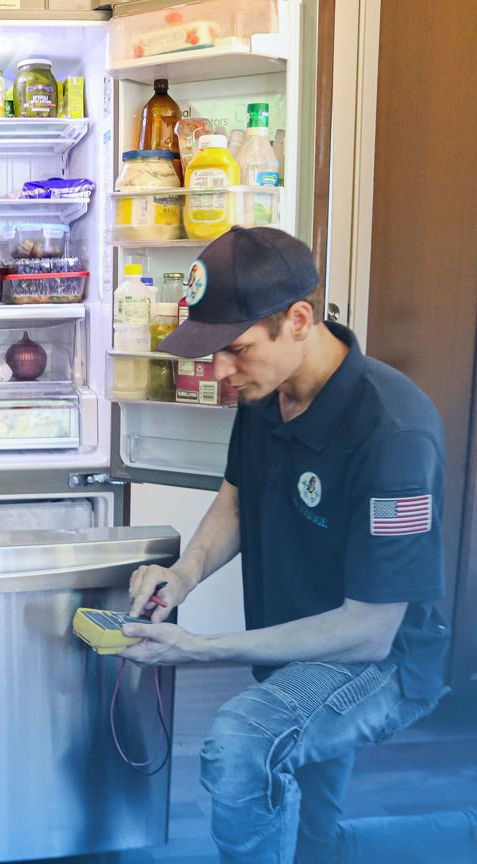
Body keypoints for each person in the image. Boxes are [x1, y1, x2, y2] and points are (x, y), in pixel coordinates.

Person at [119, 227, 474, 863]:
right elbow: (237, 494)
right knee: (313, 843)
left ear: (300, 320)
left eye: (236, 349)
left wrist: (201, 650)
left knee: (240, 743)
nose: (220, 372)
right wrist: (184, 573)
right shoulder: (265, 390)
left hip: (379, 664)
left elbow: (370, 630)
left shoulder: (393, 431)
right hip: (299, 641)